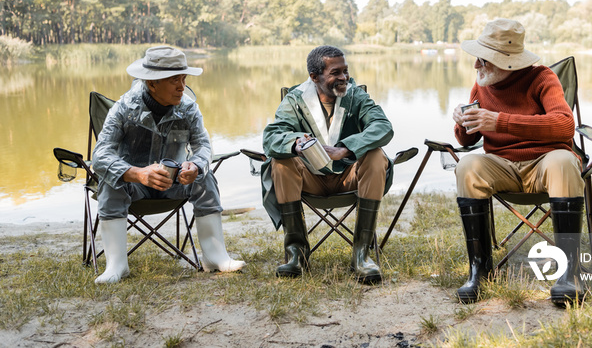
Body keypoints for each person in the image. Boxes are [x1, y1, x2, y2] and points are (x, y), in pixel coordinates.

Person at [452, 19, 585, 306]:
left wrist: (501, 121)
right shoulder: (481, 84)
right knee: (467, 166)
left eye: (484, 60)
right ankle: (480, 272)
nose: (476, 66)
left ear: (507, 62)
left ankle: (569, 274)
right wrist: (462, 121)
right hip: (502, 167)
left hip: (544, 165)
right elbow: (465, 141)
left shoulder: (542, 78)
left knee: (563, 160)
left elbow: (564, 126)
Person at [92, 46, 245, 284]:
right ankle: (117, 265)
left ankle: (215, 257)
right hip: (135, 188)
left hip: (175, 184)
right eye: (175, 80)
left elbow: (204, 146)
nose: (182, 87)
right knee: (112, 179)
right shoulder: (124, 107)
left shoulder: (188, 107)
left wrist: (194, 165)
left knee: (204, 174)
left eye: (184, 79)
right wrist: (136, 174)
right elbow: (100, 155)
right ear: (152, 83)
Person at [261, 45, 394, 283]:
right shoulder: (295, 99)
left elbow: (383, 126)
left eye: (346, 71)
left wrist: (345, 148)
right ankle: (296, 254)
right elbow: (272, 137)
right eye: (336, 73)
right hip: (310, 180)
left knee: (376, 155)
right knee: (280, 161)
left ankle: (361, 254)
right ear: (314, 77)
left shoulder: (356, 96)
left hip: (348, 178)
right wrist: (295, 144)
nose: (344, 77)